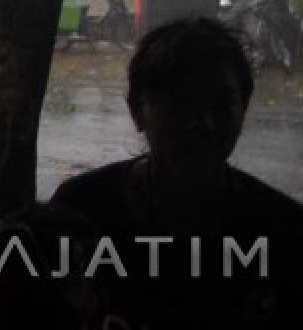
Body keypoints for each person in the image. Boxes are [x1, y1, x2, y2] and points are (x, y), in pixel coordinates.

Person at [50, 18, 303, 329]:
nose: (204, 123)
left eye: (221, 104)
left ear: (244, 109)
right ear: (136, 111)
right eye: (182, 105)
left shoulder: (284, 230)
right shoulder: (78, 213)